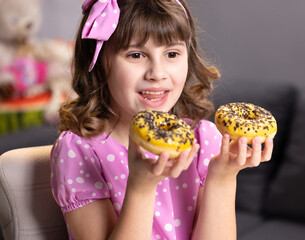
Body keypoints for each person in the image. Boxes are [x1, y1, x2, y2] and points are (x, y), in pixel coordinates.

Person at [50, 0, 274, 239]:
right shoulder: (79, 151)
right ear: (101, 64)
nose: (157, 73)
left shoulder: (204, 139)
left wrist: (222, 177)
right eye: (136, 55)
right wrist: (141, 187)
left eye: (172, 54)